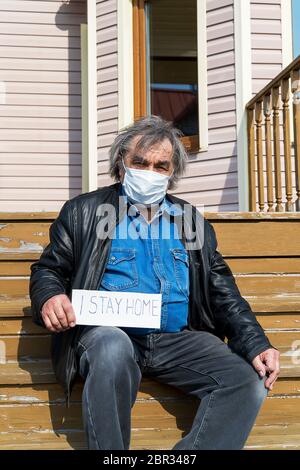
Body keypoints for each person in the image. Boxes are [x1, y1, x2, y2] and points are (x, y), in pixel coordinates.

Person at [30, 115, 280, 450]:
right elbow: (49, 269)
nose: (149, 172)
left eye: (160, 166)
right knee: (112, 348)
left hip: (176, 339)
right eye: (140, 162)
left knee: (247, 382)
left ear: (171, 174)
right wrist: (50, 297)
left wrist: (256, 344)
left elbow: (222, 289)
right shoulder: (84, 212)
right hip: (110, 335)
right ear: (121, 164)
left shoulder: (190, 220)